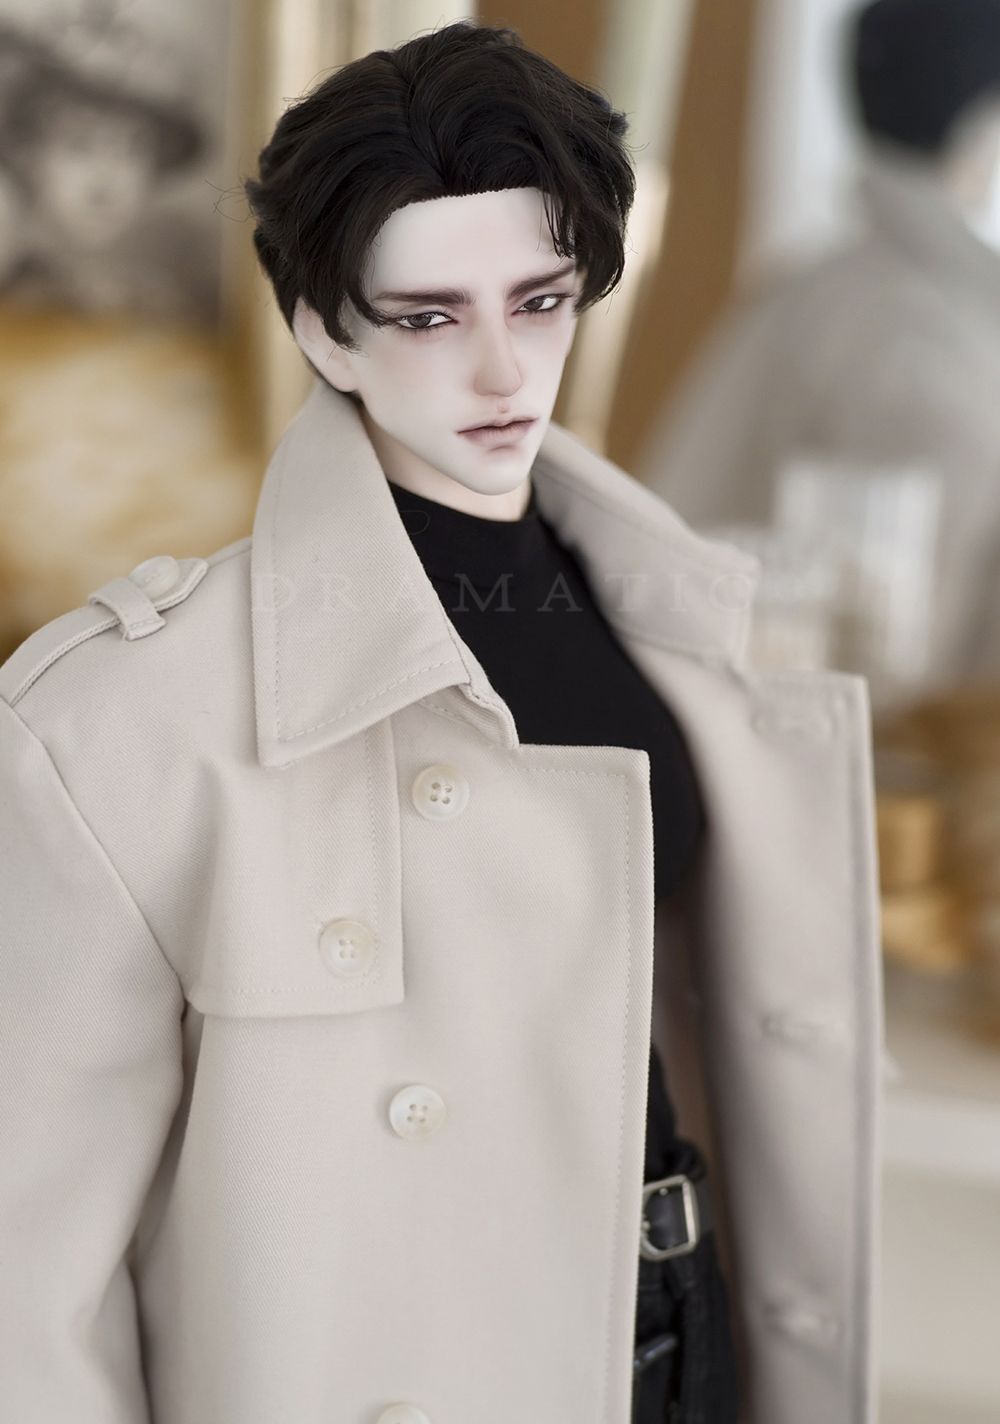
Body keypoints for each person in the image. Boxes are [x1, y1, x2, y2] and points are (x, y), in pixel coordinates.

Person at [0, 21, 882, 1424]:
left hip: (679, 1328)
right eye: (429, 316)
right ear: (323, 329)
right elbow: (26, 1294)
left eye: (539, 301)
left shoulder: (690, 632)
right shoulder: (122, 724)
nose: (502, 371)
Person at [637, 0, 1000, 694]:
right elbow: (886, 668)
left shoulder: (828, 288)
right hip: (805, 730)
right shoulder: (918, 335)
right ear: (979, 120)